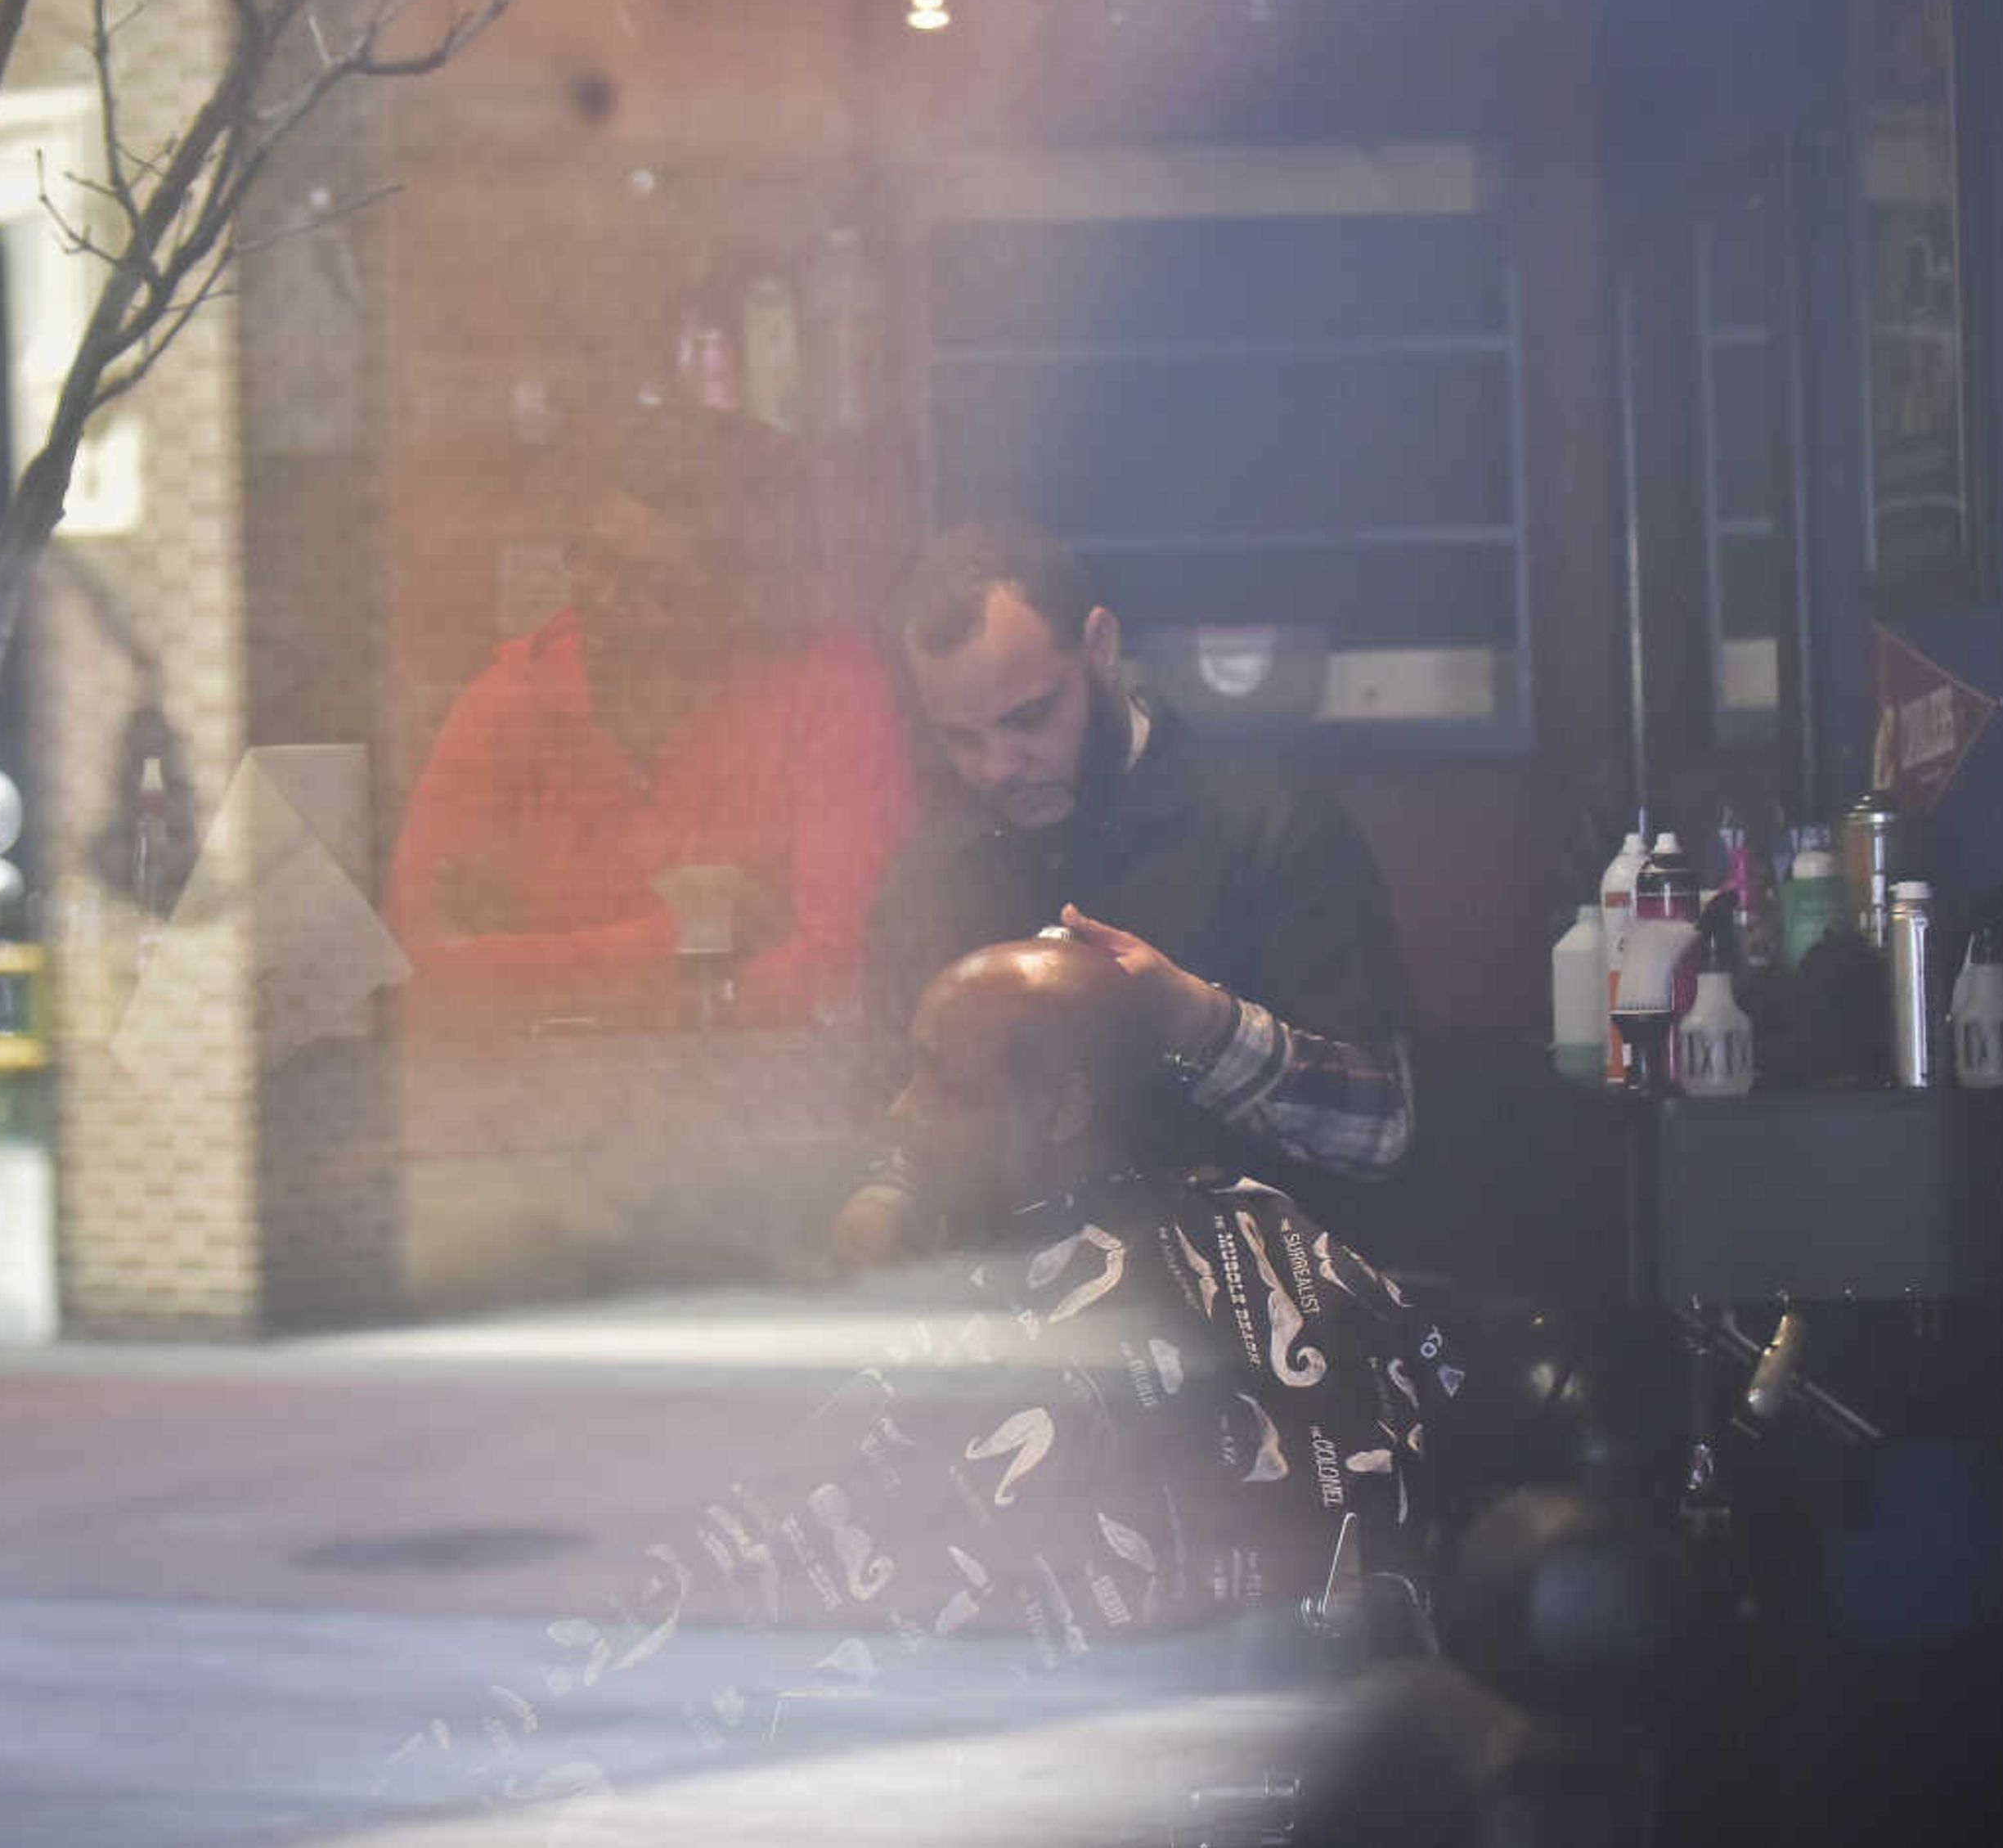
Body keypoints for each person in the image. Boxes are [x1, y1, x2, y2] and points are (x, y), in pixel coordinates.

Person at [837, 936, 1455, 1630]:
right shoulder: (1261, 1222)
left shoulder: (1001, 1338)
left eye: (940, 1083)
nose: (902, 1111)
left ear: (1061, 1106)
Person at [863, 518, 1417, 1200]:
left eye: (1028, 718)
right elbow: (894, 1122)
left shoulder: (1272, 829)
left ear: (1100, 645)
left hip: (1248, 1291)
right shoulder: (933, 878)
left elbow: (1381, 1131)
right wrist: (883, 1203)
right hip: (1008, 1288)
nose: (999, 767)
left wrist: (1197, 1022)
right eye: (961, 740)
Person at [384, 407, 912, 1034]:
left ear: (740, 596)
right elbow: (413, 965)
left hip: (764, 1096)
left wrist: (534, 978)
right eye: (591, 561)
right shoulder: (510, 699)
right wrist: (685, 938)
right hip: (535, 1099)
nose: (602, 602)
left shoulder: (829, 685)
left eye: (653, 586)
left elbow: (840, 966)